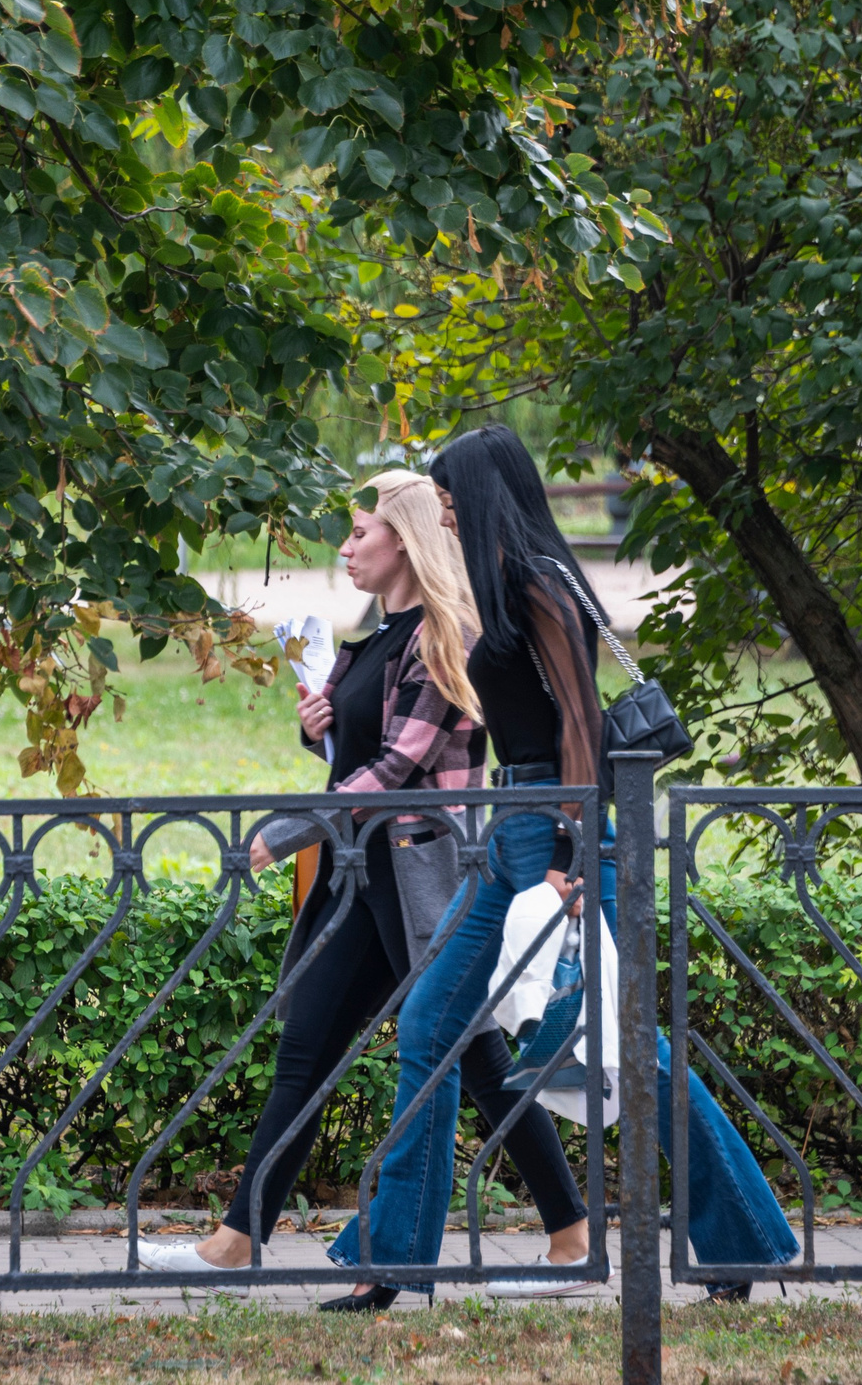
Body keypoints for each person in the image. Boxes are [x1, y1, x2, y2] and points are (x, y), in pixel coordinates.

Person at [338, 423, 794, 1308]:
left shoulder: (543, 584)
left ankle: (742, 1240)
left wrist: (566, 853)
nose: (444, 512)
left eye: (450, 497)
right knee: (429, 1024)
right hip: (515, 827)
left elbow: (581, 723)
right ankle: (391, 1265)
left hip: (557, 830)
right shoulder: (505, 583)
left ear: (483, 491)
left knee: (635, 1047)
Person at [139, 472, 588, 1287]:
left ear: (404, 540)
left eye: (359, 534)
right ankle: (236, 1240)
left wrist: (280, 833)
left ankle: (572, 1236)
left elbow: (395, 771)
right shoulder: (379, 635)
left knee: (476, 1055)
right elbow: (360, 757)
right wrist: (319, 728)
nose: (345, 549)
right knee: (307, 1049)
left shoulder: (442, 635)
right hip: (363, 875)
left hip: (422, 874)